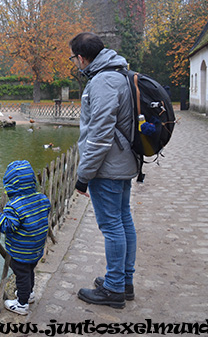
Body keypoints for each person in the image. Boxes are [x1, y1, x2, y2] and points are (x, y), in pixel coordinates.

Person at [69, 32, 138, 309]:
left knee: (112, 227)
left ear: (83, 58)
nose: (75, 62)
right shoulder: (119, 73)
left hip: (107, 168)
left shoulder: (102, 82)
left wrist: (83, 176)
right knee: (123, 221)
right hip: (122, 163)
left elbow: (99, 136)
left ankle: (113, 289)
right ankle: (124, 281)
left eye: (74, 57)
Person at [0, 160, 51, 315]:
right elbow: (46, 209)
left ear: (10, 185)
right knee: (29, 271)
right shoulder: (41, 198)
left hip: (21, 250)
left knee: (21, 275)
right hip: (37, 247)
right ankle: (29, 294)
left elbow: (8, 225)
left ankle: (22, 304)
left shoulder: (14, 206)